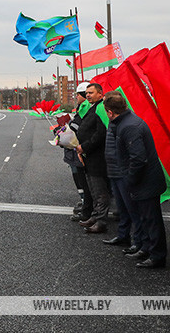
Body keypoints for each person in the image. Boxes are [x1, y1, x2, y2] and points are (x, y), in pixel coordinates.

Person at [104, 92, 167, 268]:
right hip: (143, 181)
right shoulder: (127, 121)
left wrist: (129, 180)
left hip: (145, 182)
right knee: (145, 219)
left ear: (110, 112)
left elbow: (138, 159)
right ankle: (146, 248)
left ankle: (157, 256)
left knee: (151, 220)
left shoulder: (128, 126)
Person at [102, 91, 143, 252]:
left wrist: (129, 174)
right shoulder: (114, 122)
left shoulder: (126, 124)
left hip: (122, 172)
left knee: (133, 210)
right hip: (113, 170)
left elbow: (135, 154)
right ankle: (123, 235)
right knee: (122, 209)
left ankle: (138, 242)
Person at [75, 82, 109, 233]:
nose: (88, 95)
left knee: (100, 190)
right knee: (93, 189)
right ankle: (95, 216)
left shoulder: (101, 108)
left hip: (98, 157)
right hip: (89, 156)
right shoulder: (92, 107)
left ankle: (101, 221)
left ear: (100, 94)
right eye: (87, 93)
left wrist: (84, 146)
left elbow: (101, 134)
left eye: (91, 93)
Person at [65, 83, 93, 221]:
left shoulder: (87, 108)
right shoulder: (82, 108)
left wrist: (66, 131)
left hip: (82, 150)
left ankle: (87, 208)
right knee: (81, 180)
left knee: (84, 181)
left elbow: (81, 128)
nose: (76, 97)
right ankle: (85, 204)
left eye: (78, 94)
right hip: (77, 150)